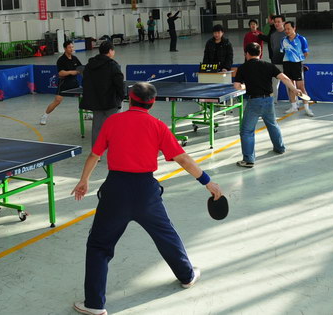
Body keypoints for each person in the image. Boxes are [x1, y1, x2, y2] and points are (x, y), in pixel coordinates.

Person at [71, 82, 224, 315]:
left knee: (99, 246)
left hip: (115, 191)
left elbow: (95, 155)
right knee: (166, 235)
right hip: (146, 192)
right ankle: (187, 276)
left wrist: (84, 180)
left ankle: (94, 304)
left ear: (128, 98)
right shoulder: (158, 126)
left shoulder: (112, 121)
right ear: (152, 104)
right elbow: (183, 159)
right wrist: (208, 182)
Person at [232, 42, 306, 168]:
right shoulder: (268, 65)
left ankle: (249, 160)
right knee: (272, 125)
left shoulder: (243, 68)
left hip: (254, 102)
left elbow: (237, 86)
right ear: (260, 53)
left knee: (247, 131)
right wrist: (294, 90)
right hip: (268, 100)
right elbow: (284, 78)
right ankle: (280, 148)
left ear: (247, 54)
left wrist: (246, 86)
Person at [79, 41, 124, 147]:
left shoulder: (89, 65)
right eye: (113, 50)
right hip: (111, 102)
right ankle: (116, 150)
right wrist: (121, 97)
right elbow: (119, 84)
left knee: (97, 128)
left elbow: (85, 82)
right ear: (110, 51)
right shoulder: (113, 65)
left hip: (96, 102)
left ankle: (96, 152)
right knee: (115, 127)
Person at [40, 40, 83, 125]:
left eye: (72, 47)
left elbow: (80, 68)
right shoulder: (61, 60)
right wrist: (71, 72)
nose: (72, 49)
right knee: (57, 100)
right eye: (69, 47)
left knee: (84, 97)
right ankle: (44, 116)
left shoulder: (75, 58)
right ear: (65, 49)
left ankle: (85, 114)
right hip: (64, 83)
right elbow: (60, 73)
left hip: (74, 82)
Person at [281, 21, 313, 116]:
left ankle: (307, 108)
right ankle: (294, 107)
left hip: (297, 65)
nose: (287, 31)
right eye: (285, 29)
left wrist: (298, 60)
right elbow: (283, 51)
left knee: (301, 87)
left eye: (288, 29)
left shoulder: (302, 39)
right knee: (291, 86)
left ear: (294, 28)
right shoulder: (283, 40)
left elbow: (306, 53)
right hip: (287, 64)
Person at [258, 14, 287, 103]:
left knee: (289, 83)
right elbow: (273, 48)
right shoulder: (273, 35)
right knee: (274, 83)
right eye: (275, 22)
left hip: (287, 62)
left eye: (279, 22)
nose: (276, 24)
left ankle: (294, 103)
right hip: (276, 62)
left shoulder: (287, 34)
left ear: (283, 22)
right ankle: (274, 101)